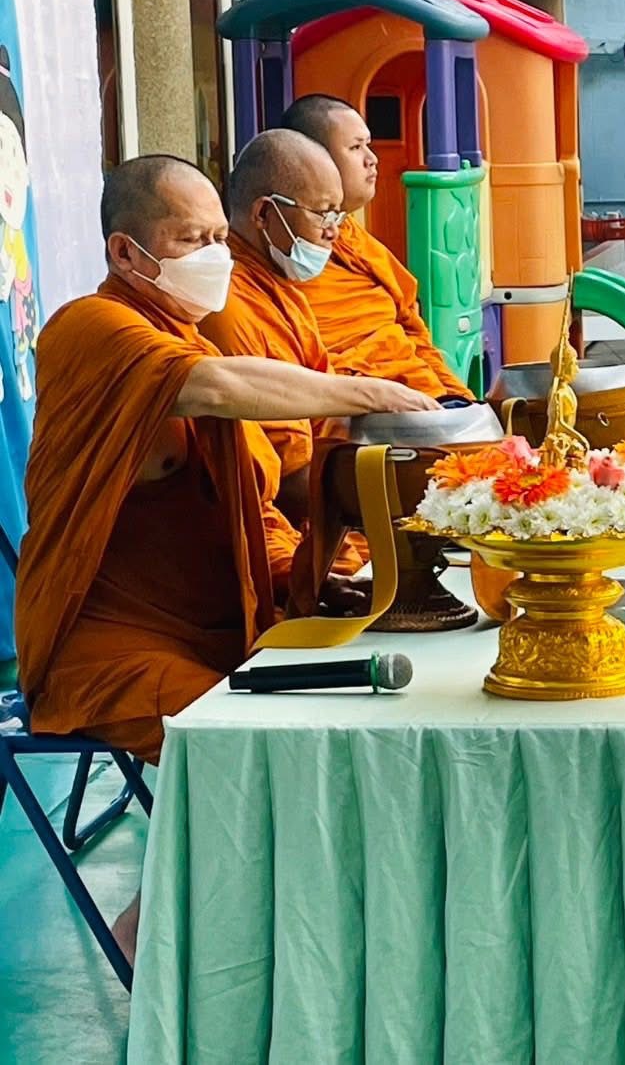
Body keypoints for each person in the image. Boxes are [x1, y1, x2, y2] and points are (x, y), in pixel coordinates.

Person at [15, 155, 440, 958]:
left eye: (219, 236)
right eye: (192, 239)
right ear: (126, 253)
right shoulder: (90, 329)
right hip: (107, 647)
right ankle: (152, 944)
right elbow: (209, 387)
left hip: (216, 626)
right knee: (253, 749)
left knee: (344, 714)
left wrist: (308, 576)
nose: (215, 255)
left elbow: (248, 503)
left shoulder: (188, 333)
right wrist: (368, 393)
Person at [280, 94, 474, 402]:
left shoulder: (352, 237)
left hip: (425, 401)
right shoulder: (284, 254)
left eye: (368, 145)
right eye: (355, 147)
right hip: (362, 416)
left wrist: (461, 401)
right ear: (315, 161)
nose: (372, 159)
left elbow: (414, 332)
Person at [199, 129, 346, 531]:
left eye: (338, 216)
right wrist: (389, 495)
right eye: (323, 214)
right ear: (264, 214)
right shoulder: (226, 307)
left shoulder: (281, 287)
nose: (334, 231)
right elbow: (284, 478)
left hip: (327, 493)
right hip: (288, 521)